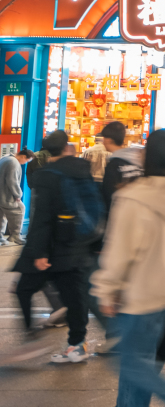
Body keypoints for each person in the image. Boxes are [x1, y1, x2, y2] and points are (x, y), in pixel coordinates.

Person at [92, 131, 165, 406]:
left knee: (129, 363)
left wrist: (106, 289)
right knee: (142, 361)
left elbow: (120, 250)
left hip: (138, 293)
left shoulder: (134, 197)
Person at [14, 130, 94, 362]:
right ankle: (77, 344)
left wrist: (39, 252)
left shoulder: (48, 174)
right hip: (77, 243)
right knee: (74, 296)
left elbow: (43, 217)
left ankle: (31, 341)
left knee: (24, 289)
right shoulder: (82, 169)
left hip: (51, 247)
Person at [100, 122, 144, 214]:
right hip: (138, 212)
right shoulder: (138, 162)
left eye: (103, 139)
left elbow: (108, 195)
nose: (103, 142)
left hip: (120, 214)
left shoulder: (114, 165)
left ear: (108, 140)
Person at [0, 148, 29, 245]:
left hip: (1, 195)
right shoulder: (14, 162)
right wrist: (18, 194)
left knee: (1, 216)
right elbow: (13, 181)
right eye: (27, 160)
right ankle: (15, 236)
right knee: (20, 209)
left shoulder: (5, 158)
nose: (25, 163)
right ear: (24, 156)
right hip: (7, 196)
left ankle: (0, 237)